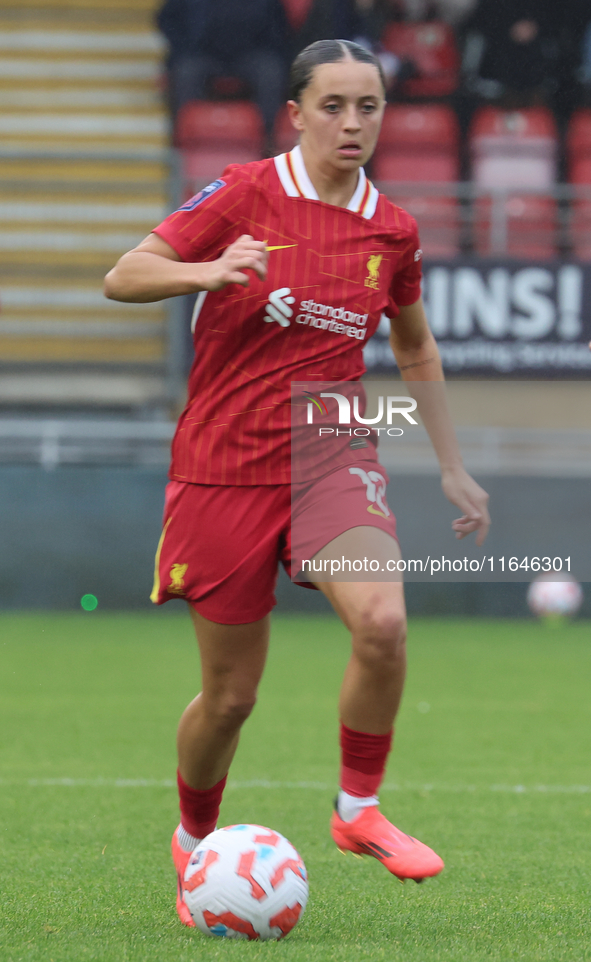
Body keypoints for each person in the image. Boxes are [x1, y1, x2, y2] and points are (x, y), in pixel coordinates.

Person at [104, 39, 490, 928]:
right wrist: (206, 271)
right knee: (232, 696)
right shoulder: (245, 191)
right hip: (223, 462)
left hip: (329, 447)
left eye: (369, 107)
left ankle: (357, 811)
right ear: (296, 113)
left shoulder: (390, 227)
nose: (352, 123)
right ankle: (194, 834)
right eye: (333, 106)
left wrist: (450, 464)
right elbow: (125, 276)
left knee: (385, 623)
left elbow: (415, 345)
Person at [156, 0, 289, 140]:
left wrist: (265, 46)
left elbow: (278, 26)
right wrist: (186, 47)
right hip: (203, 54)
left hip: (250, 53)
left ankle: (269, 138)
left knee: (271, 72)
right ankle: (182, 139)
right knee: (185, 73)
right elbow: (167, 19)